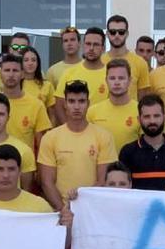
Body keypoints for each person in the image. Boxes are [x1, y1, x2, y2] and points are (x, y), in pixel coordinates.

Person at [40, 80, 117, 210]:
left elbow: (103, 180)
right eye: (71, 101)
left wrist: (85, 207)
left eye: (81, 101)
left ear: (88, 104)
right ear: (64, 104)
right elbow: (47, 182)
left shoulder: (104, 136)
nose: (76, 107)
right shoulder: (50, 138)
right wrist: (63, 209)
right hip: (61, 211)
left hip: (93, 209)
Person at [118, 94, 165, 191]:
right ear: (139, 120)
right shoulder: (127, 152)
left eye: (156, 116)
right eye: (147, 117)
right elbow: (121, 191)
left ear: (164, 117)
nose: (152, 121)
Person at [0, 144, 53, 213]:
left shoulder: (40, 206)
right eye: (0, 169)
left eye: (11, 169)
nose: (6, 175)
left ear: (20, 171)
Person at [55, 28, 111, 123]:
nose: (91, 48)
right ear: (83, 45)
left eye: (96, 44)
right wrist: (69, 129)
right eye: (88, 44)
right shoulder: (69, 73)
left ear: (103, 48)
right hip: (75, 132)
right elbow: (59, 105)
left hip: (102, 132)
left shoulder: (110, 75)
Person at [0, 54, 52, 151]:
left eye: (15, 70)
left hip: (26, 164)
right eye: (7, 70)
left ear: (22, 74)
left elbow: (42, 147)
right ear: (0, 74)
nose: (11, 75)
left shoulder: (36, 105)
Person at [86, 59, 141, 149]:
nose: (116, 82)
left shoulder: (140, 111)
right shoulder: (92, 112)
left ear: (130, 80)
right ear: (106, 80)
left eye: (121, 78)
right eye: (112, 78)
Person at [102, 15, 151, 99]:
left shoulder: (140, 63)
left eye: (121, 32)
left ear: (127, 34)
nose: (117, 35)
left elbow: (142, 100)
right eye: (113, 32)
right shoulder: (99, 62)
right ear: (107, 34)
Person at [22, 46, 57, 124]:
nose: (30, 63)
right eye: (26, 60)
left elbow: (52, 114)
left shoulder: (47, 85)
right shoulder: (15, 85)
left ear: (38, 63)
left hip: (41, 130)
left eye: (33, 60)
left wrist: (49, 132)